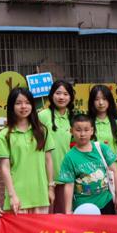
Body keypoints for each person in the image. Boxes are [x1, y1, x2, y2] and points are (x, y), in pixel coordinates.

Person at [0, 87, 55, 214]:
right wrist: (12, 195)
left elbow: (48, 160)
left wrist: (51, 188)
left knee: (41, 228)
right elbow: (5, 167)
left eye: (27, 103)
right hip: (18, 198)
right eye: (18, 103)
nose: (23, 106)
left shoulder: (42, 131)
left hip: (40, 195)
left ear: (32, 105)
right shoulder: (4, 135)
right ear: (11, 106)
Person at [58, 114, 117, 215]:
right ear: (71, 131)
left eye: (86, 130)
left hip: (106, 202)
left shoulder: (102, 148)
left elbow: (114, 171)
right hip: (82, 207)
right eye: (78, 130)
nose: (82, 134)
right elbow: (69, 185)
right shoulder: (69, 157)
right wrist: (68, 210)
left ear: (92, 131)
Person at [38, 80, 75, 213]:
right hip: (46, 176)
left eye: (65, 94)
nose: (61, 97)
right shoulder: (42, 115)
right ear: (51, 95)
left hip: (67, 175)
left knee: (63, 215)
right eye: (58, 93)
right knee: (46, 216)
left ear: (70, 97)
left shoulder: (73, 117)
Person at [88, 84, 117, 160]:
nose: (101, 102)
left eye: (104, 99)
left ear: (110, 101)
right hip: (93, 166)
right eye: (97, 99)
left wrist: (110, 160)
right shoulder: (87, 123)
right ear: (92, 102)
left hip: (113, 166)